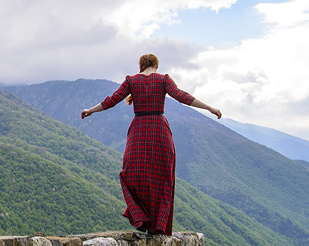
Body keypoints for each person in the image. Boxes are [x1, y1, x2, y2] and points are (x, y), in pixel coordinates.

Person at [81, 54, 221, 236]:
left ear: (141, 65)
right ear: (156, 65)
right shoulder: (163, 79)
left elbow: (112, 100)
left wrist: (91, 110)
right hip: (159, 129)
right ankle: (157, 224)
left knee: (130, 173)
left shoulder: (131, 81)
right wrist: (209, 107)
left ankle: (141, 216)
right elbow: (182, 96)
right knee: (162, 176)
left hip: (139, 129)